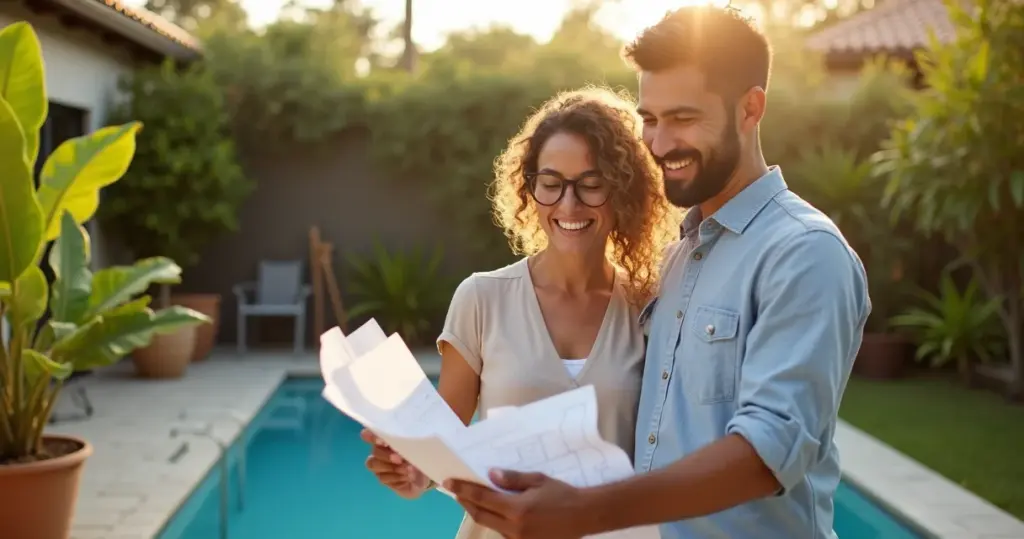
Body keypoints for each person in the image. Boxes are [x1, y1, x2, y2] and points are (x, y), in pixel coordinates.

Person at [443, 6, 872, 539]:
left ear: (751, 108)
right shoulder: (676, 261)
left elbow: (770, 449)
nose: (660, 143)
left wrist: (588, 510)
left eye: (684, 118)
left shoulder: (804, 253)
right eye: (650, 118)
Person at [360, 86, 680, 539]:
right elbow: (443, 441)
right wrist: (414, 472)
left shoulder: (650, 307)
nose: (568, 205)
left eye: (590, 185)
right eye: (551, 184)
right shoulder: (482, 299)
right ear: (530, 190)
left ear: (621, 191)